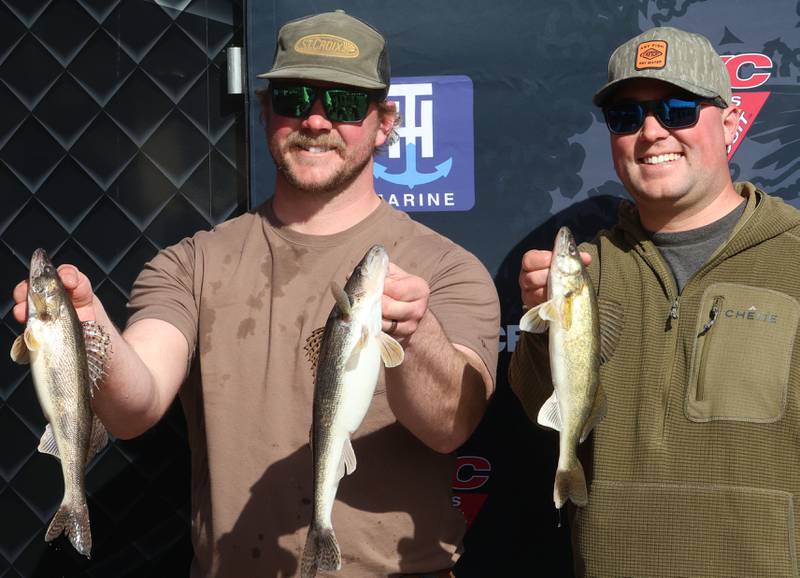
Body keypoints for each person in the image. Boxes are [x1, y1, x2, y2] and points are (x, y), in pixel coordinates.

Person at [13, 10, 499, 577]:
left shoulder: (449, 269)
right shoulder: (191, 263)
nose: (315, 121)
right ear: (266, 110)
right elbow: (135, 405)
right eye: (294, 98)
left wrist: (416, 336)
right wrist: (87, 328)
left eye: (342, 104)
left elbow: (451, 426)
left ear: (385, 122)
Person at [510, 26, 800, 577]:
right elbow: (537, 411)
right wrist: (541, 328)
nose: (651, 131)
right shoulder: (584, 271)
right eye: (626, 116)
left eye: (678, 109)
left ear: (732, 122)